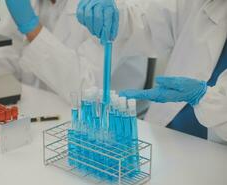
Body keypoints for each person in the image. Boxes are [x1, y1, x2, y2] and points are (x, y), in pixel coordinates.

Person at [77, 0, 227, 143]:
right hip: (164, 136)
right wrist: (118, 16)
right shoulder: (205, 4)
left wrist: (205, 98)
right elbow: (146, 22)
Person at [0, 0, 148, 105]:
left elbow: (86, 90)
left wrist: (32, 28)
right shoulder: (38, 2)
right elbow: (6, 51)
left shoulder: (109, 6)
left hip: (101, 127)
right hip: (42, 110)